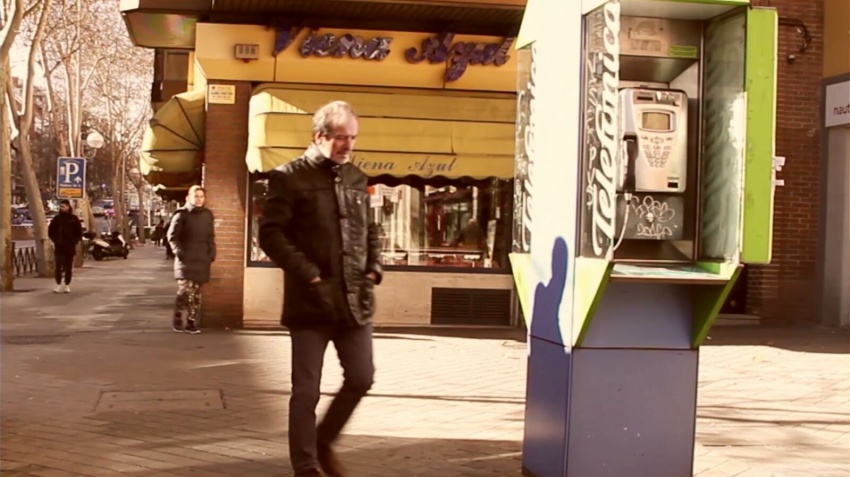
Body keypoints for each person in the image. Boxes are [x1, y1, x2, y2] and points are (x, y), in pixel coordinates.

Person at [259, 100, 382, 477]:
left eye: (353, 138)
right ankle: (307, 466)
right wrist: (309, 274)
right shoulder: (288, 177)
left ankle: (323, 441)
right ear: (319, 136)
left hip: (354, 301)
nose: (348, 145)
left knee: (361, 377)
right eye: (341, 137)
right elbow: (270, 234)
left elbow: (370, 229)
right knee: (306, 391)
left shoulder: (357, 179)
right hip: (310, 303)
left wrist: (374, 267)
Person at [167, 185, 216, 334]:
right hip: (185, 260)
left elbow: (210, 236)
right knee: (184, 291)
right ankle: (178, 317)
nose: (199, 199)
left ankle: (191, 322)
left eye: (201, 196)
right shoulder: (181, 214)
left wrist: (211, 253)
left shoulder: (207, 215)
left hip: (202, 259)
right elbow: (172, 236)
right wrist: (179, 252)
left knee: (196, 294)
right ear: (188, 197)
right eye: (196, 196)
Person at [47, 199, 83, 293]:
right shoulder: (57, 219)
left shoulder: (73, 219)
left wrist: (74, 241)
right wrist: (55, 240)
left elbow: (79, 232)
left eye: (63, 206)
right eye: (60, 206)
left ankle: (67, 284)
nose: (61, 208)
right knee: (58, 265)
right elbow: (50, 231)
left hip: (70, 247)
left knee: (68, 267)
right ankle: (58, 284)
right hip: (59, 246)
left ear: (68, 207)